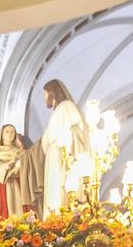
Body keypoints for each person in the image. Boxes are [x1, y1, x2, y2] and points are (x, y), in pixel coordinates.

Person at [24, 79, 89, 216]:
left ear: (52, 93)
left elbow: (74, 133)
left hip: (61, 157)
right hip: (54, 156)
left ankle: (60, 215)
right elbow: (46, 139)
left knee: (60, 191)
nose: (44, 98)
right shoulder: (59, 110)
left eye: (45, 94)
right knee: (54, 192)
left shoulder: (66, 107)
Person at [0, 124, 32, 217]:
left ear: (15, 135)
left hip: (18, 183)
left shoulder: (21, 152)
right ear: (2, 135)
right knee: (2, 213)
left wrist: (18, 168)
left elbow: (27, 168)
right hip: (2, 184)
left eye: (12, 132)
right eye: (7, 131)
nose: (10, 134)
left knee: (20, 211)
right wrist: (9, 164)